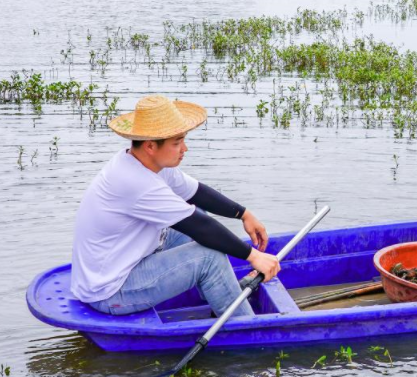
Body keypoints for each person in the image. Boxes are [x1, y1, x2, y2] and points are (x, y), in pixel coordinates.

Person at [70, 94, 281, 318]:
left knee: (201, 220)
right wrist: (254, 257)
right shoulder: (136, 182)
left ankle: (220, 295)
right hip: (111, 291)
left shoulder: (145, 162)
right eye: (177, 143)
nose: (185, 149)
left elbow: (197, 193)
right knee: (209, 257)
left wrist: (244, 214)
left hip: (122, 260)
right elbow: (198, 226)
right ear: (151, 146)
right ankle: (245, 326)